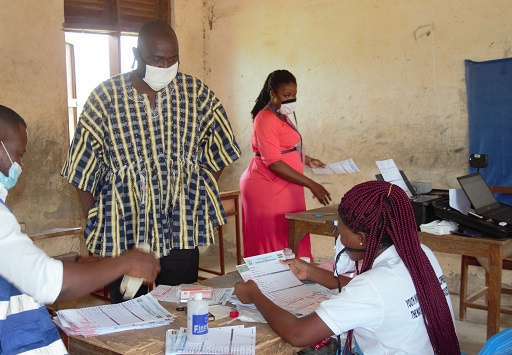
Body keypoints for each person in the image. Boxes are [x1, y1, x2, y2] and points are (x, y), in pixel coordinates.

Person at [0, 104, 160, 354]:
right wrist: (126, 263)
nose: (21, 164)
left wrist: (84, 264)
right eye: (19, 154)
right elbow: (50, 285)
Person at [61, 21, 241, 303]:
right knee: (127, 311)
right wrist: (97, 223)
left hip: (180, 230)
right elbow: (81, 169)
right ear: (137, 53)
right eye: (157, 60)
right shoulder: (105, 98)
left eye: (172, 60)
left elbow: (222, 147)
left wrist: (195, 190)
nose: (166, 66)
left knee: (180, 306)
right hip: (124, 232)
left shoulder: (197, 94)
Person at [234, 181, 460, 354]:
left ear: (361, 238)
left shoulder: (373, 286)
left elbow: (297, 333)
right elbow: (383, 295)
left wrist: (255, 293)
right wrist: (312, 272)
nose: (339, 238)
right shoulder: (420, 253)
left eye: (341, 232)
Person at [240, 69, 331, 259]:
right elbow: (273, 162)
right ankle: (271, 284)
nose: (291, 99)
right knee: (274, 238)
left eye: (294, 95)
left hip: (287, 186)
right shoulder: (265, 118)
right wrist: (311, 183)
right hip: (267, 185)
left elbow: (283, 146)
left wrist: (307, 160)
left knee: (291, 234)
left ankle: (298, 277)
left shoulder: (281, 114)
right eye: (286, 95)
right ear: (273, 94)